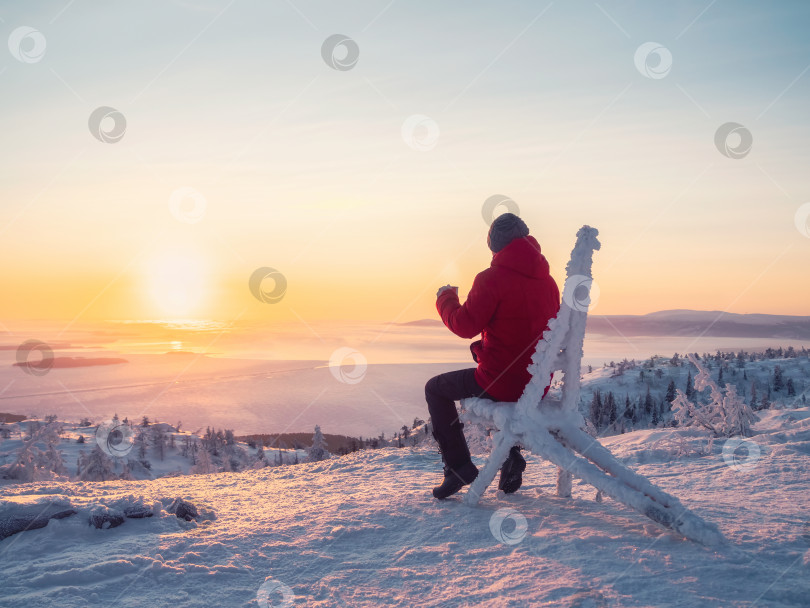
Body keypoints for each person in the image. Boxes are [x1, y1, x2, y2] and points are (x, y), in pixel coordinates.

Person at [425, 212, 560, 499]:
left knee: (435, 389)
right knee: (495, 374)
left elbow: (464, 325)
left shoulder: (491, 278)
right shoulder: (548, 282)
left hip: (503, 381)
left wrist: (445, 298)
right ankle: (509, 455)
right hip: (536, 383)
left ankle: (458, 467)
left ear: (495, 247)